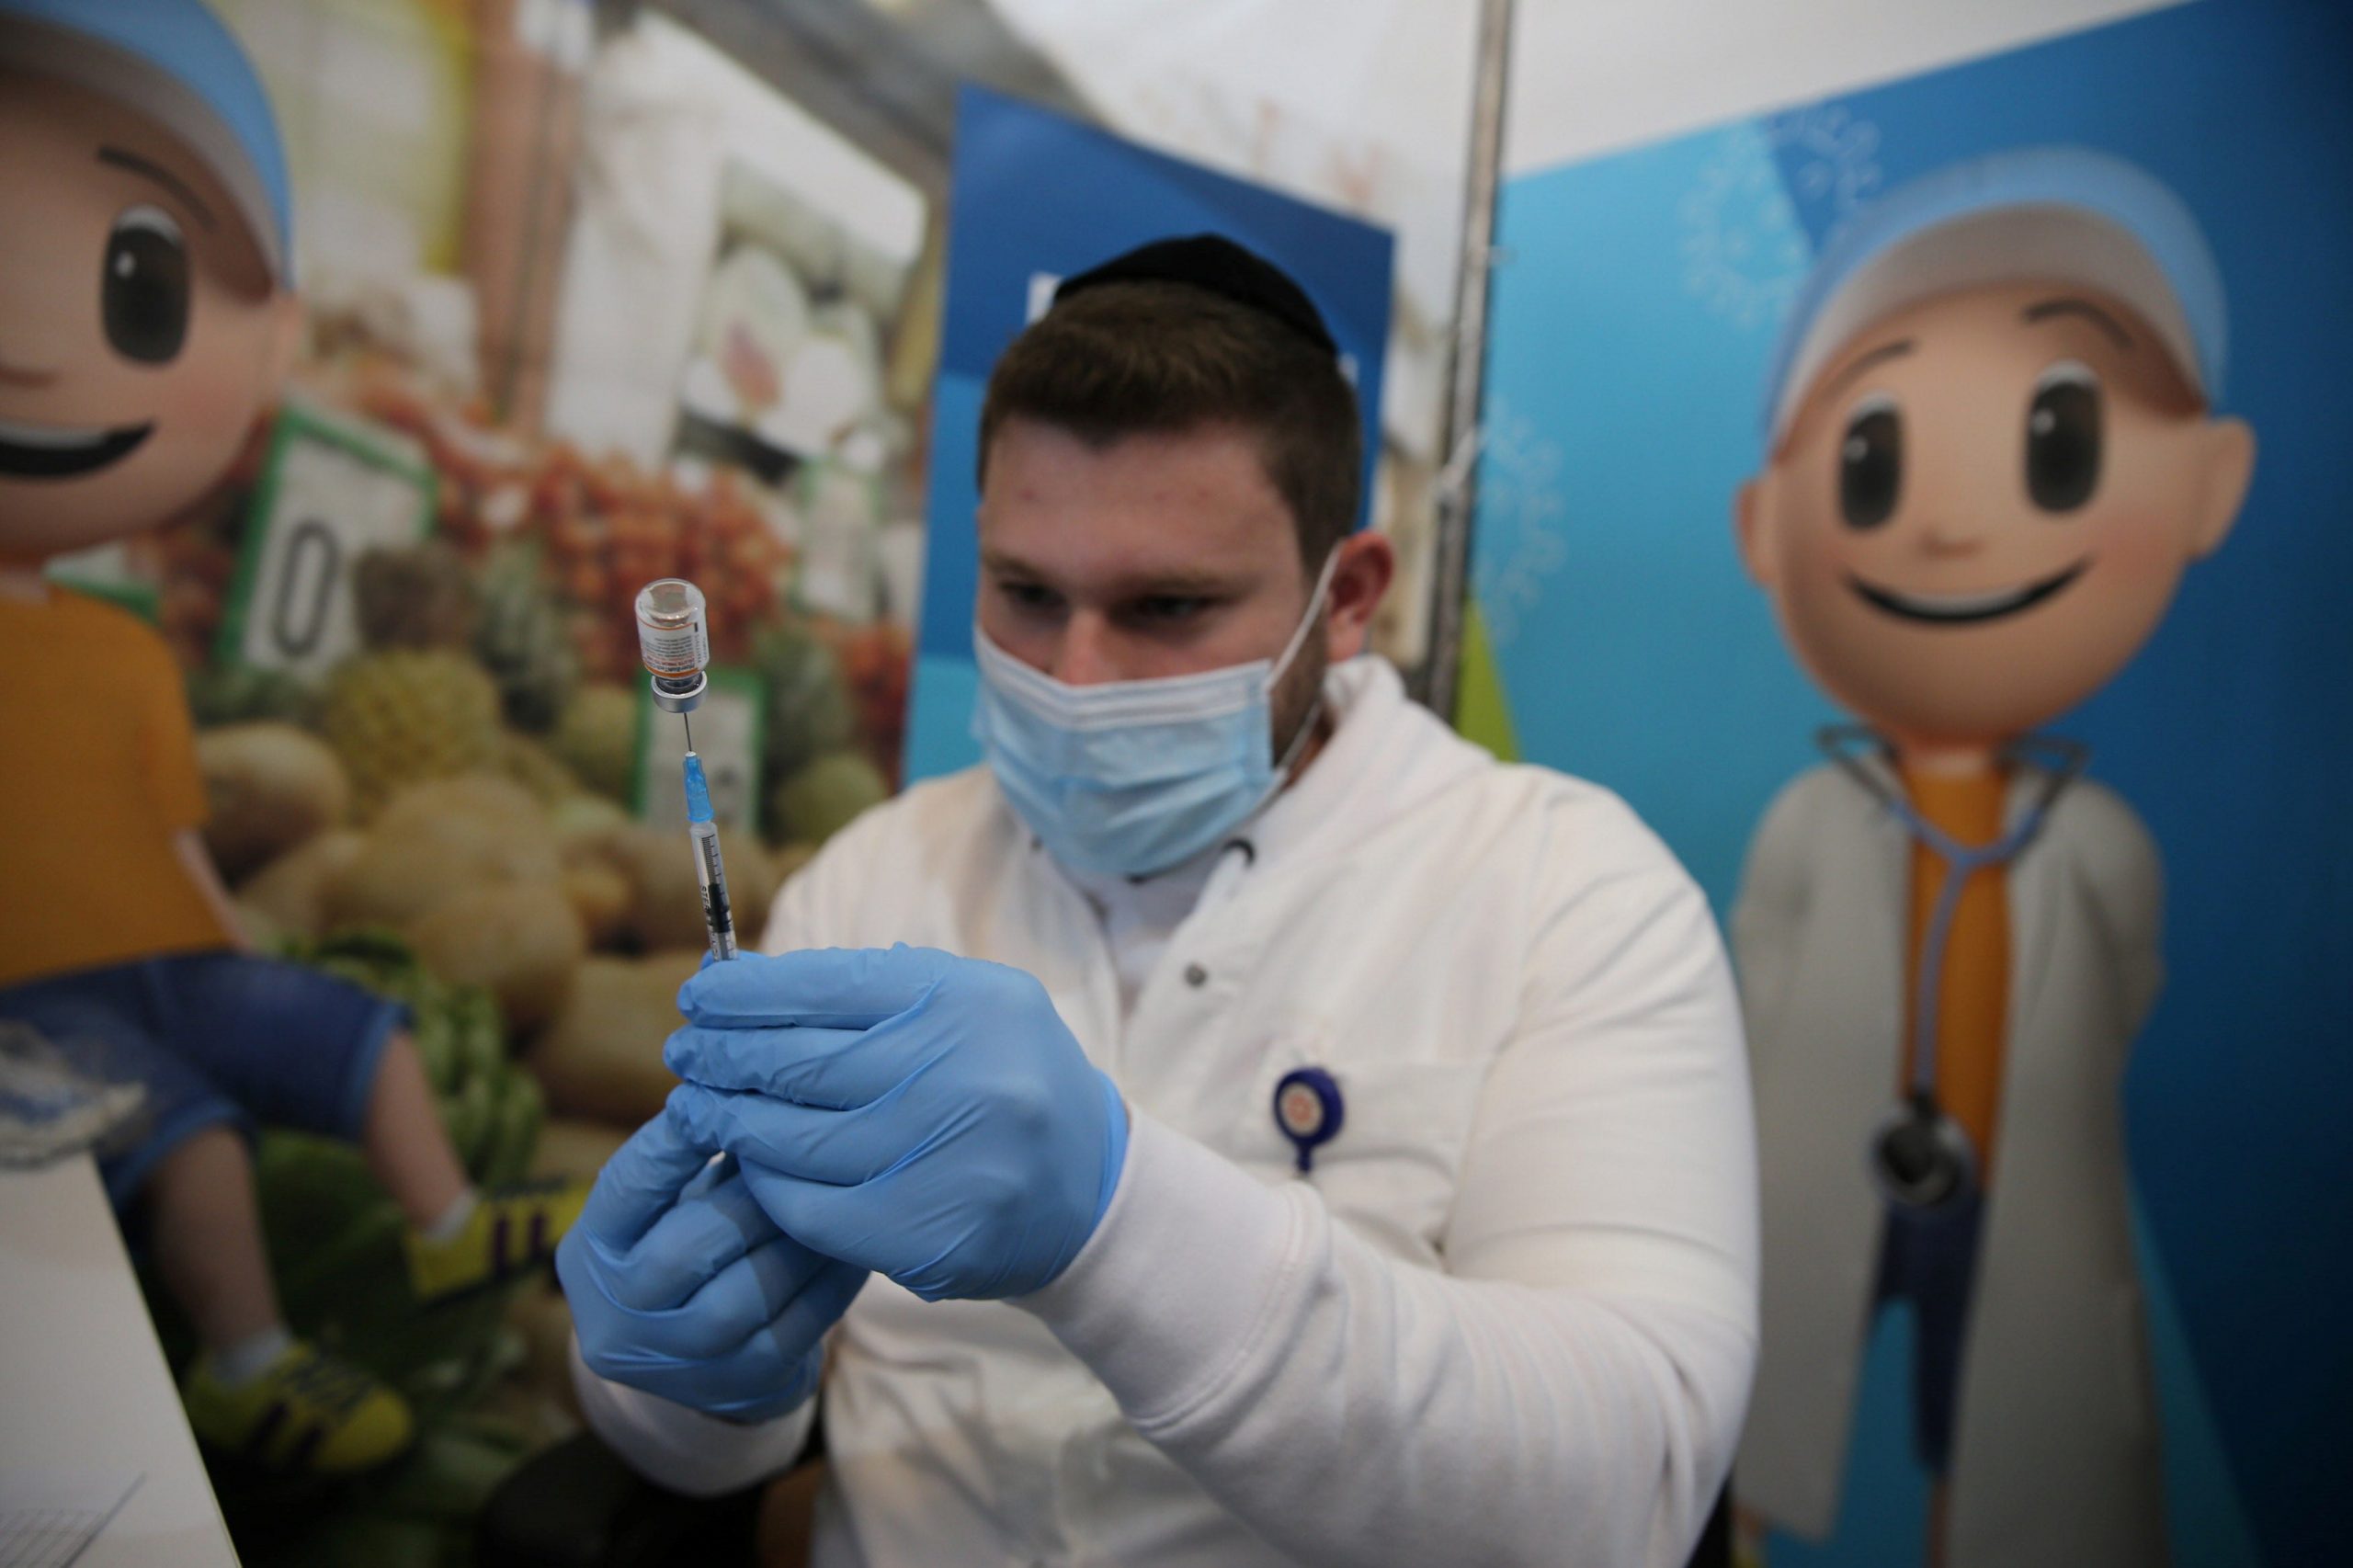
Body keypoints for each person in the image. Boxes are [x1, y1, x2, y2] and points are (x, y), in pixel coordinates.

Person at [558, 234, 1758, 1567]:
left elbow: (1629, 1491)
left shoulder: (1570, 894)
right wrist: (679, 1383)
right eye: (1025, 592)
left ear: (1347, 597)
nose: (1076, 675)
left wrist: (1118, 1227)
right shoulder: (875, 874)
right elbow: (719, 1445)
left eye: (1167, 605)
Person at [0, 0, 582, 1475]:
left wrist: (234, 950)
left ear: (270, 343)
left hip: (162, 955)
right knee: (190, 1130)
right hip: (31, 1005)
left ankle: (452, 1225)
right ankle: (251, 1358)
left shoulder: (126, 648)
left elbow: (174, 833)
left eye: (139, 285)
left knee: (358, 1028)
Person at [1728, 148, 2255, 1567]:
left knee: (2006, 1442)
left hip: (2015, 1201)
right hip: (1818, 1181)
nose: (1954, 524)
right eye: (1875, 458)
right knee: (1754, 1421)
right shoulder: (1807, 823)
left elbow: (2121, 991)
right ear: (1764, 523)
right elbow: (1759, 994)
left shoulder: (2100, 842)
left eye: (2058, 440)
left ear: (2212, 483)